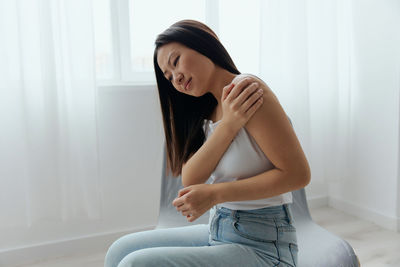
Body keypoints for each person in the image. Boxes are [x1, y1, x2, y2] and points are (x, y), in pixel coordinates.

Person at [104, 19, 310, 267]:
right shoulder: (209, 109)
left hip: (265, 246)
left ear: (203, 42)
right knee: (119, 251)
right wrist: (229, 125)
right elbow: (191, 178)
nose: (176, 79)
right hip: (219, 229)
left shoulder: (247, 91)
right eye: (168, 77)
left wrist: (214, 194)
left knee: (135, 264)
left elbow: (297, 174)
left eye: (176, 61)